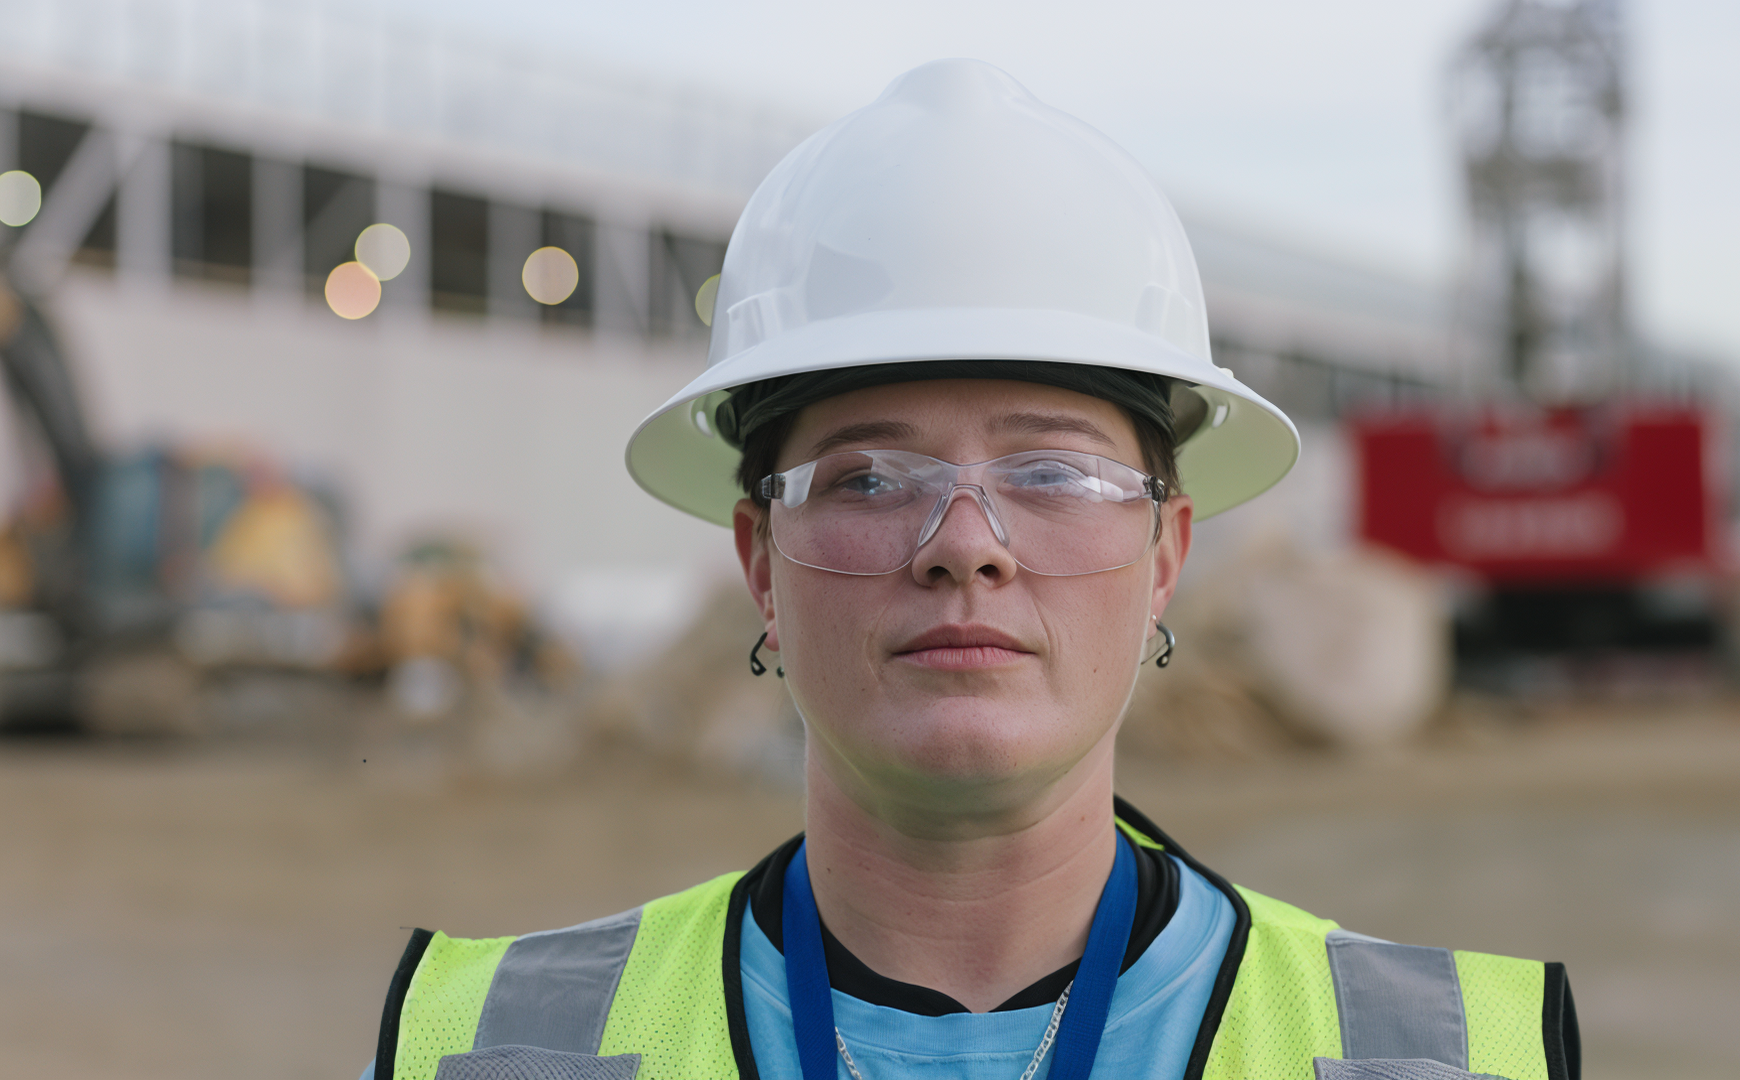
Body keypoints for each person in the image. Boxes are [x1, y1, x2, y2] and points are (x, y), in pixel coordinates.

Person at [362, 59, 1579, 1080]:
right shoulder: (497, 1046)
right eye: (870, 478)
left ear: (1167, 557)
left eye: (1052, 475)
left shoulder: (1437, 1056)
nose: (964, 545)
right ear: (760, 566)